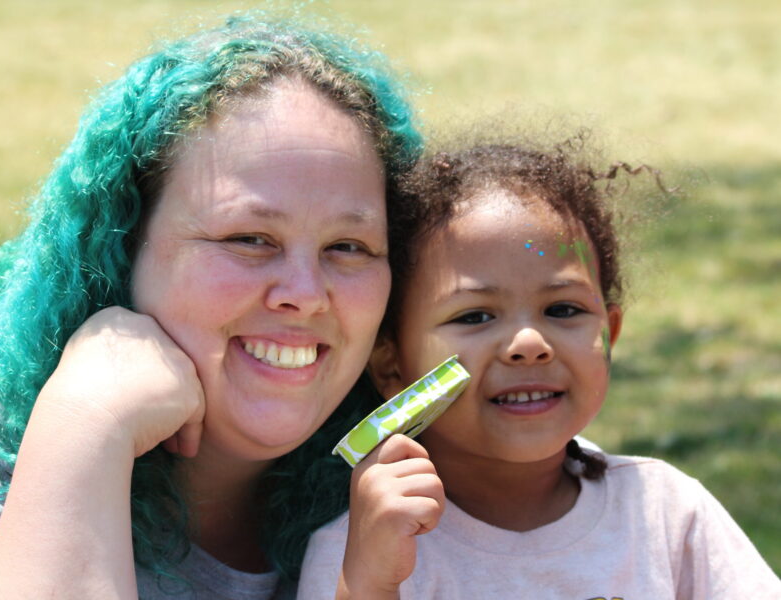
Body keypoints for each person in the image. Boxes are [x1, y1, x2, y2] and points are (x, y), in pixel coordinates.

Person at [0, 11, 423, 600]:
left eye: (348, 247)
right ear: (122, 242)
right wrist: (88, 423)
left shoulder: (419, 472)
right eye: (248, 239)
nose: (307, 293)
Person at [297, 135, 781, 598]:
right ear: (391, 364)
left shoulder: (667, 515)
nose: (529, 344)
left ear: (609, 333)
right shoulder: (362, 546)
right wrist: (369, 587)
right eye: (475, 316)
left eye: (563, 310)